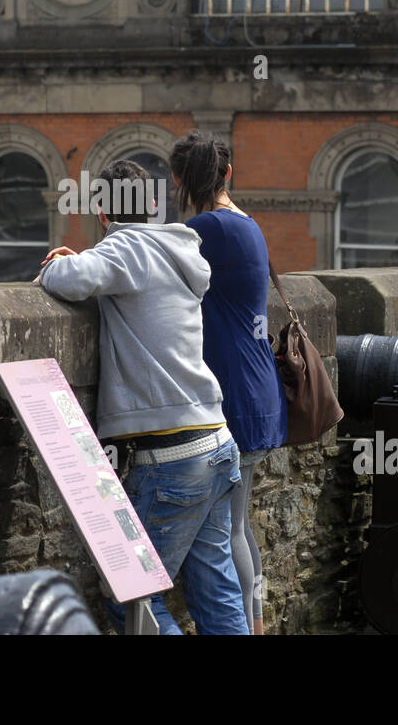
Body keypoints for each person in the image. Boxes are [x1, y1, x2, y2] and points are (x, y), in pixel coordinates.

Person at [36, 158, 249, 635]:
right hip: (216, 441)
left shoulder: (127, 249)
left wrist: (61, 262)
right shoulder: (177, 248)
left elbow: (67, 280)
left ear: (101, 213)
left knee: (129, 599)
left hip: (173, 457)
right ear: (153, 206)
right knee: (215, 591)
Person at [169, 130, 286, 635]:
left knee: (231, 531)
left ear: (179, 180)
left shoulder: (206, 230)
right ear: (229, 173)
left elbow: (147, 259)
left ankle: (248, 629)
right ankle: (256, 625)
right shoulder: (247, 225)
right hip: (257, 389)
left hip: (233, 395)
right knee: (240, 527)